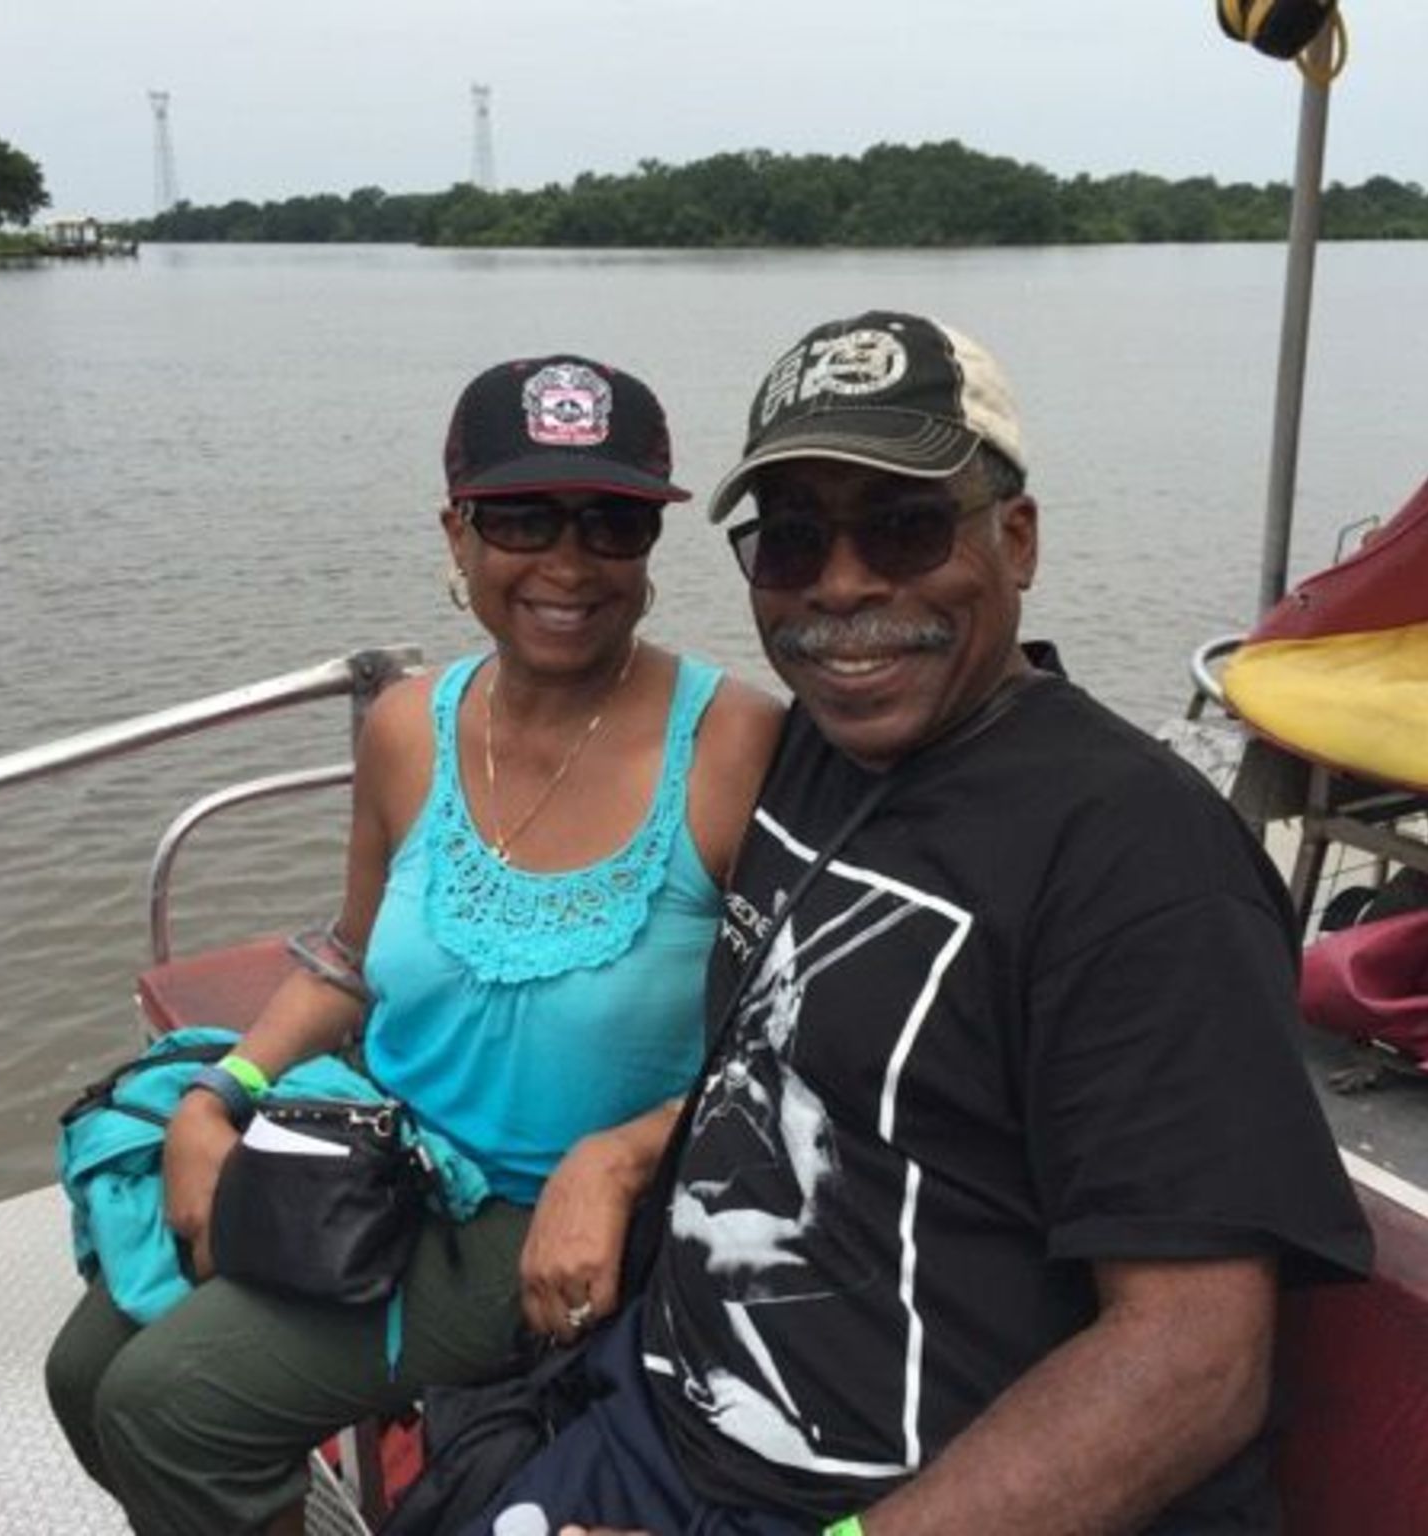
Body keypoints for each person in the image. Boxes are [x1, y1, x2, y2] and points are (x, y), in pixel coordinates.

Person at [466, 311, 1373, 1536]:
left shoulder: (1133, 863)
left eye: (903, 525)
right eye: (791, 542)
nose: (843, 585)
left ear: (1017, 539)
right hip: (660, 1414)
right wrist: (621, 1154)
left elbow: (1192, 1363)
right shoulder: (808, 758)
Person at [44, 352, 783, 1536]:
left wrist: (630, 1155)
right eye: (521, 517)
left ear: (652, 544)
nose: (567, 561)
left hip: (543, 1217)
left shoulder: (739, 744)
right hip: (378, 1150)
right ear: (457, 531)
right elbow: (348, 953)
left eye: (612, 523)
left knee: (174, 1407)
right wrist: (221, 1094)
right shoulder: (408, 728)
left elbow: (792, 1034)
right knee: (86, 1378)